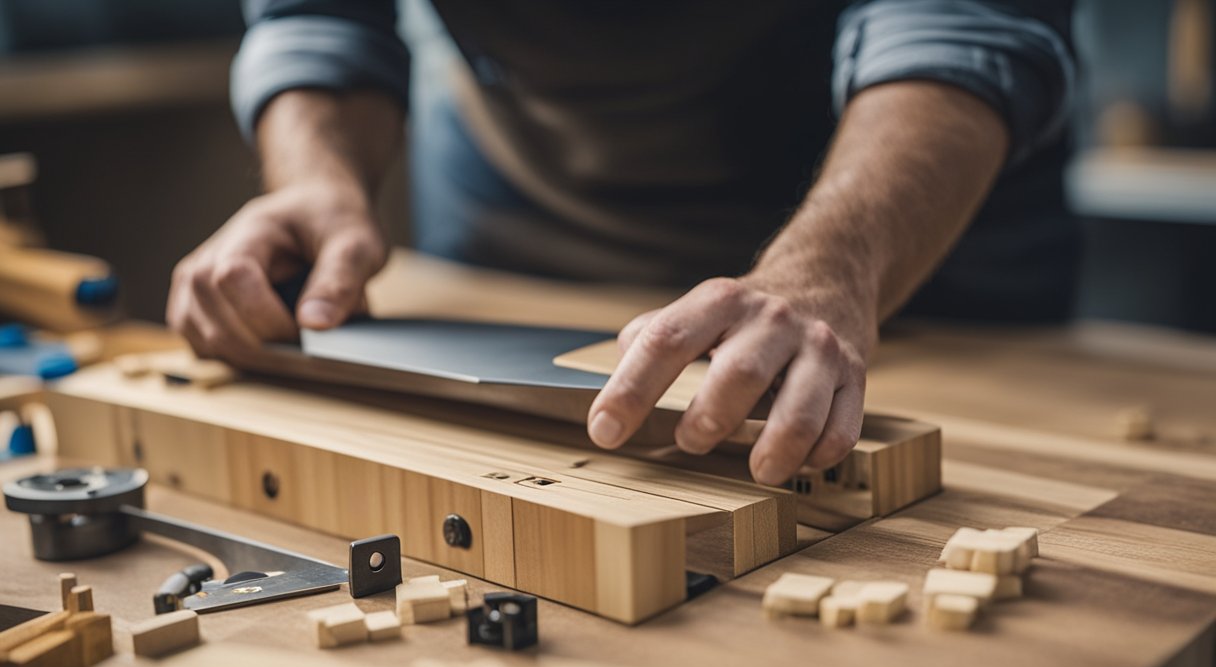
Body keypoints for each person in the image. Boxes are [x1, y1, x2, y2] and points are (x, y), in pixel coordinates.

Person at [168, 0, 1076, 486]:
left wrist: (836, 266)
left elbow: (959, 21)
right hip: (524, 210)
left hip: (900, 233)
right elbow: (320, 16)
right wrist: (314, 178)